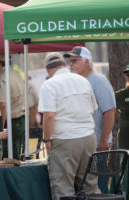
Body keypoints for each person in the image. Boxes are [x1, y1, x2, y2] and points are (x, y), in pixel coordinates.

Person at [38, 52, 99, 200]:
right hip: (88, 137)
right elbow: (93, 110)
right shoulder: (83, 80)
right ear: (64, 64)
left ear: (47, 69)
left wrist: (47, 139)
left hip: (64, 139)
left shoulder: (49, 84)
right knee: (90, 185)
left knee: (63, 188)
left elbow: (49, 115)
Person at [64, 46, 116, 193]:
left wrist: (104, 141)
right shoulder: (76, 81)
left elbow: (109, 111)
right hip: (82, 142)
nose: (71, 64)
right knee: (84, 186)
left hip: (98, 144)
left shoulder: (99, 81)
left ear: (87, 62)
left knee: (98, 185)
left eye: (75, 61)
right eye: (69, 61)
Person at [0, 53, 25, 160]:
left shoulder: (2, 78)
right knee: (16, 153)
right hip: (20, 119)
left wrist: (1, 127)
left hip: (10, 121)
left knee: (10, 157)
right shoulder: (15, 74)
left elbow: (3, 105)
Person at [115, 64, 129, 149]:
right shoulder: (120, 94)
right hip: (125, 140)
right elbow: (112, 108)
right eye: (128, 75)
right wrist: (122, 117)